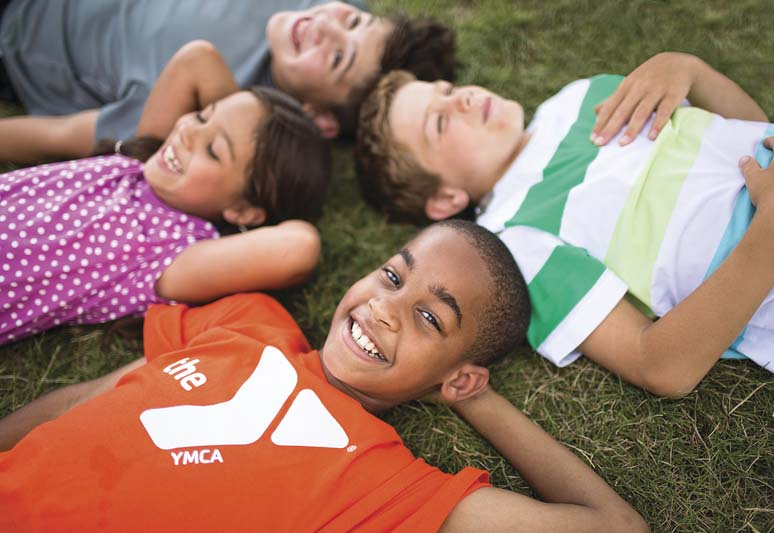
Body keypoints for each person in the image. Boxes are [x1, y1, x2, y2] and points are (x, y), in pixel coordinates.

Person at [0, 220, 647, 532]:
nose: (386, 306)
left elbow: (614, 525)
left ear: (457, 374)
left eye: (428, 316)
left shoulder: (385, 486)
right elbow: (89, 398)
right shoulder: (248, 319)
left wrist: (469, 395)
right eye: (393, 275)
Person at [354, 52, 774, 394]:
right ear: (445, 198)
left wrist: (688, 69)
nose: (463, 97)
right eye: (441, 121)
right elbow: (658, 365)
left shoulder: (582, 95)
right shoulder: (516, 244)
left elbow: (753, 133)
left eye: (447, 90)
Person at [0, 41, 331, 344]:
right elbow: (198, 59)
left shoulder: (173, 257)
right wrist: (248, 122)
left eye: (213, 150)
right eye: (202, 115)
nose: (188, 130)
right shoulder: (141, 160)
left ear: (244, 211)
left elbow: (298, 247)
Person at [0, 0, 456, 163]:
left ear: (318, 117)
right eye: (354, 19)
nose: (328, 26)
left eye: (338, 57)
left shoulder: (207, 108)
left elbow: (55, 137)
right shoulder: (315, 11)